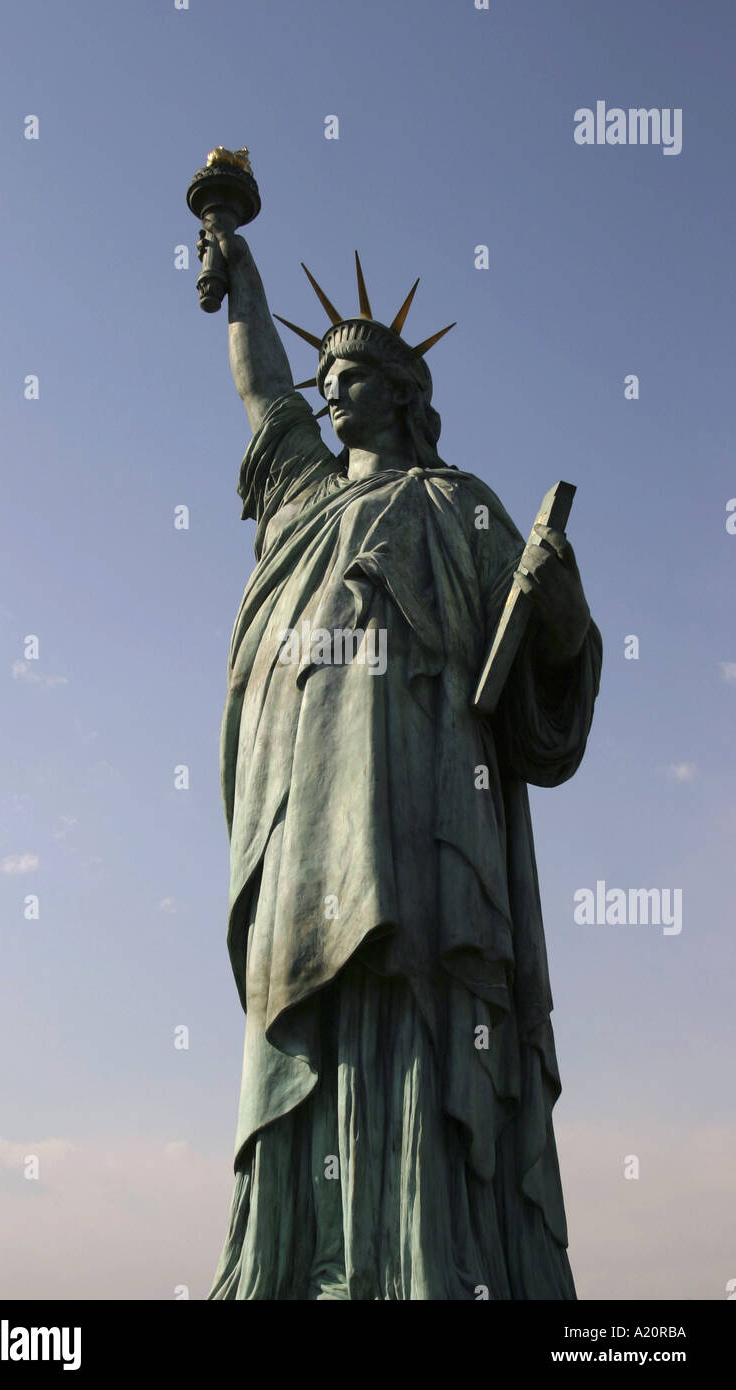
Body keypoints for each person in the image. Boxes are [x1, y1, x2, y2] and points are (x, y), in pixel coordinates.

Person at [202, 223, 603, 1300]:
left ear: (397, 391)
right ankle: (300, 1263)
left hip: (432, 810)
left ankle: (437, 1259)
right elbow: (260, 395)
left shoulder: (457, 506)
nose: (330, 395)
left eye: (350, 378)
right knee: (315, 1007)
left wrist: (558, 611)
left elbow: (538, 676)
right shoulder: (300, 501)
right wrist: (237, 276)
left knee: (423, 1002)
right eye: (324, 378)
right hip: (307, 812)